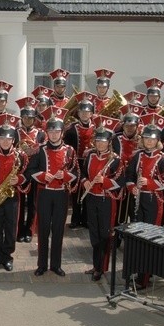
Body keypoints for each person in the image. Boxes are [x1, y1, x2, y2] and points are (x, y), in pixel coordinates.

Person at [26, 106, 78, 277]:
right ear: (47, 132)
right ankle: (42, 265)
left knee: (58, 229)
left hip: (61, 194)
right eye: (51, 131)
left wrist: (65, 175)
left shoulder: (70, 151)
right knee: (43, 229)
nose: (54, 134)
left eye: (57, 131)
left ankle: (56, 265)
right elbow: (30, 170)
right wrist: (42, 176)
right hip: (44, 195)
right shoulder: (40, 150)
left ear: (62, 133)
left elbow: (76, 172)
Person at [81, 119, 124, 281]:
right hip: (91, 198)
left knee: (105, 234)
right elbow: (84, 173)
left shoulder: (115, 160)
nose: (100, 144)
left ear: (109, 143)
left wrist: (103, 181)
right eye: (97, 141)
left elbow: (120, 182)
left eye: (103, 141)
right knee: (93, 233)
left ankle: (102, 267)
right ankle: (95, 265)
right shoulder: (90, 156)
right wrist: (85, 181)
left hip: (107, 200)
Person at [0, 124, 28, 272]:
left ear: (13, 140)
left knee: (10, 227)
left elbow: (26, 173)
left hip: (12, 197)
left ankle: (7, 257)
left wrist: (19, 179)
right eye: (2, 138)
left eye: (8, 139)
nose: (5, 141)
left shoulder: (20, 155)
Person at [126, 115, 164, 228]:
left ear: (157, 140)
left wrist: (148, 182)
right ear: (142, 139)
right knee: (137, 228)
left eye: (152, 139)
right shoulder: (138, 155)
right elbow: (129, 176)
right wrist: (133, 187)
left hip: (154, 199)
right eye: (146, 138)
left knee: (151, 229)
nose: (149, 141)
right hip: (138, 197)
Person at [64, 93, 97, 228]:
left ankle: (87, 219)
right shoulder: (71, 129)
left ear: (91, 113)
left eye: (87, 111)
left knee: (88, 190)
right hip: (76, 163)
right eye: (82, 111)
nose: (84, 114)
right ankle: (75, 218)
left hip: (90, 164)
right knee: (76, 191)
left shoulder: (96, 128)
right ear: (78, 113)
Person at [15, 97, 44, 243]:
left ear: (34, 119)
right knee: (19, 202)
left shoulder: (40, 133)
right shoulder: (15, 132)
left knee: (33, 202)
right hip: (19, 171)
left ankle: (29, 230)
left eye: (30, 118)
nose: (27, 120)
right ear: (21, 118)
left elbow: (43, 153)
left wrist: (34, 150)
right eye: (25, 117)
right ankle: (19, 230)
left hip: (33, 171)